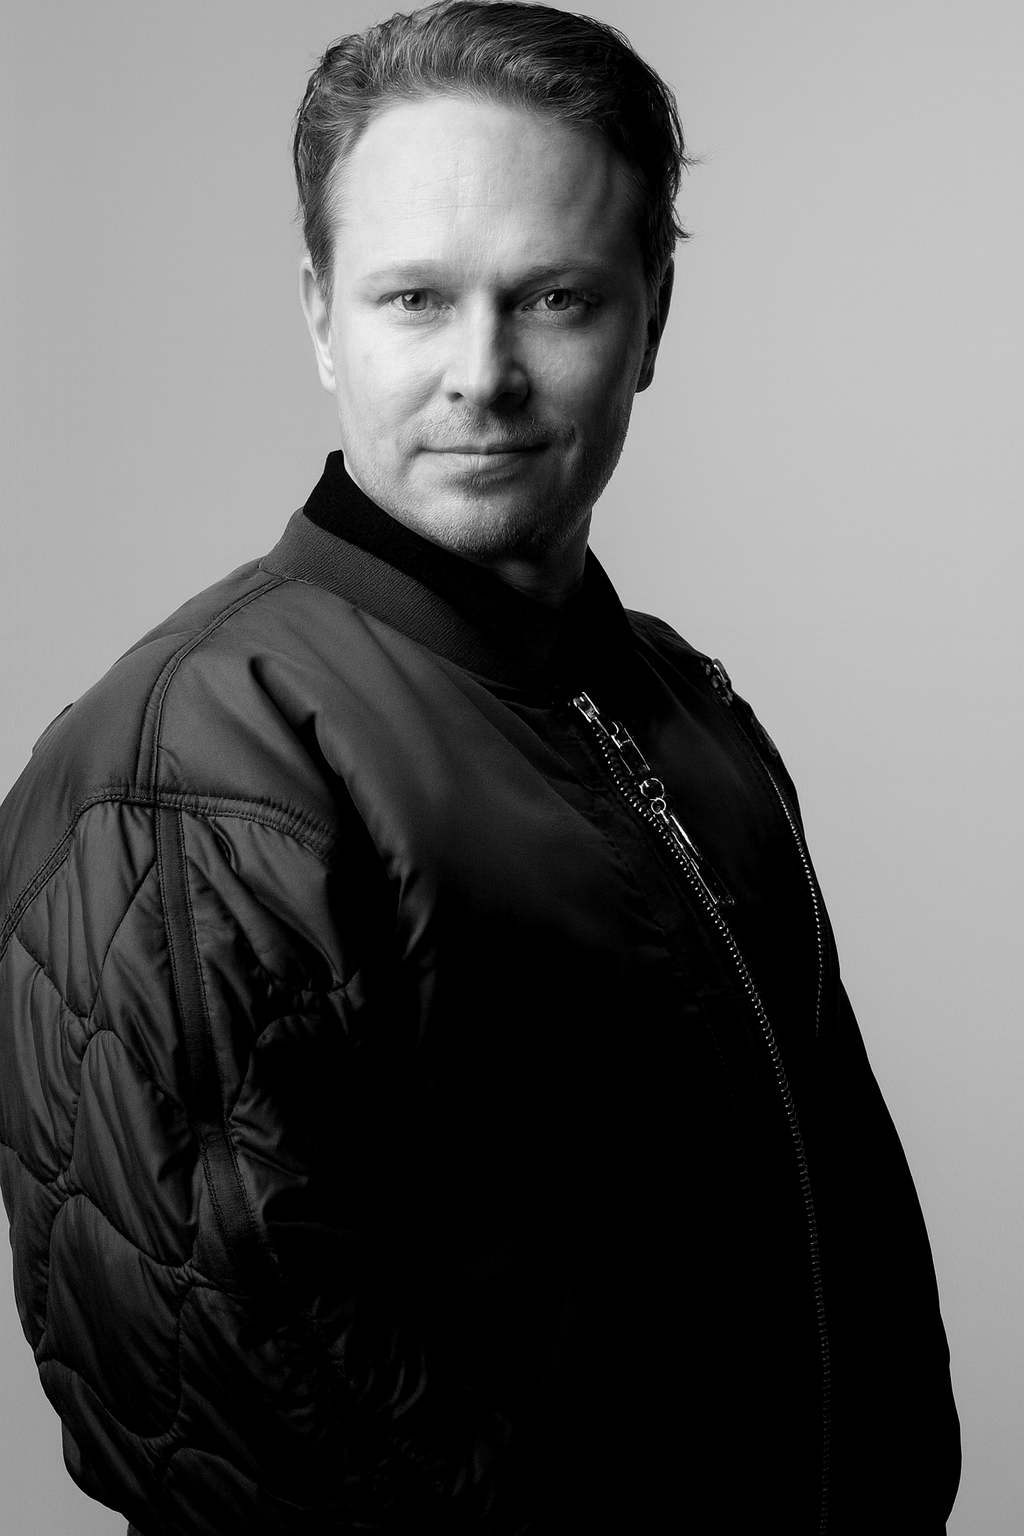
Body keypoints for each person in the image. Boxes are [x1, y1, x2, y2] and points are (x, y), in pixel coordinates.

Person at [0, 3, 960, 1532]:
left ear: (652, 316)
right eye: (413, 300)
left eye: (555, 298)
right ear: (319, 314)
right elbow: (246, 1413)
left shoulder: (684, 713)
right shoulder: (199, 765)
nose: (483, 374)